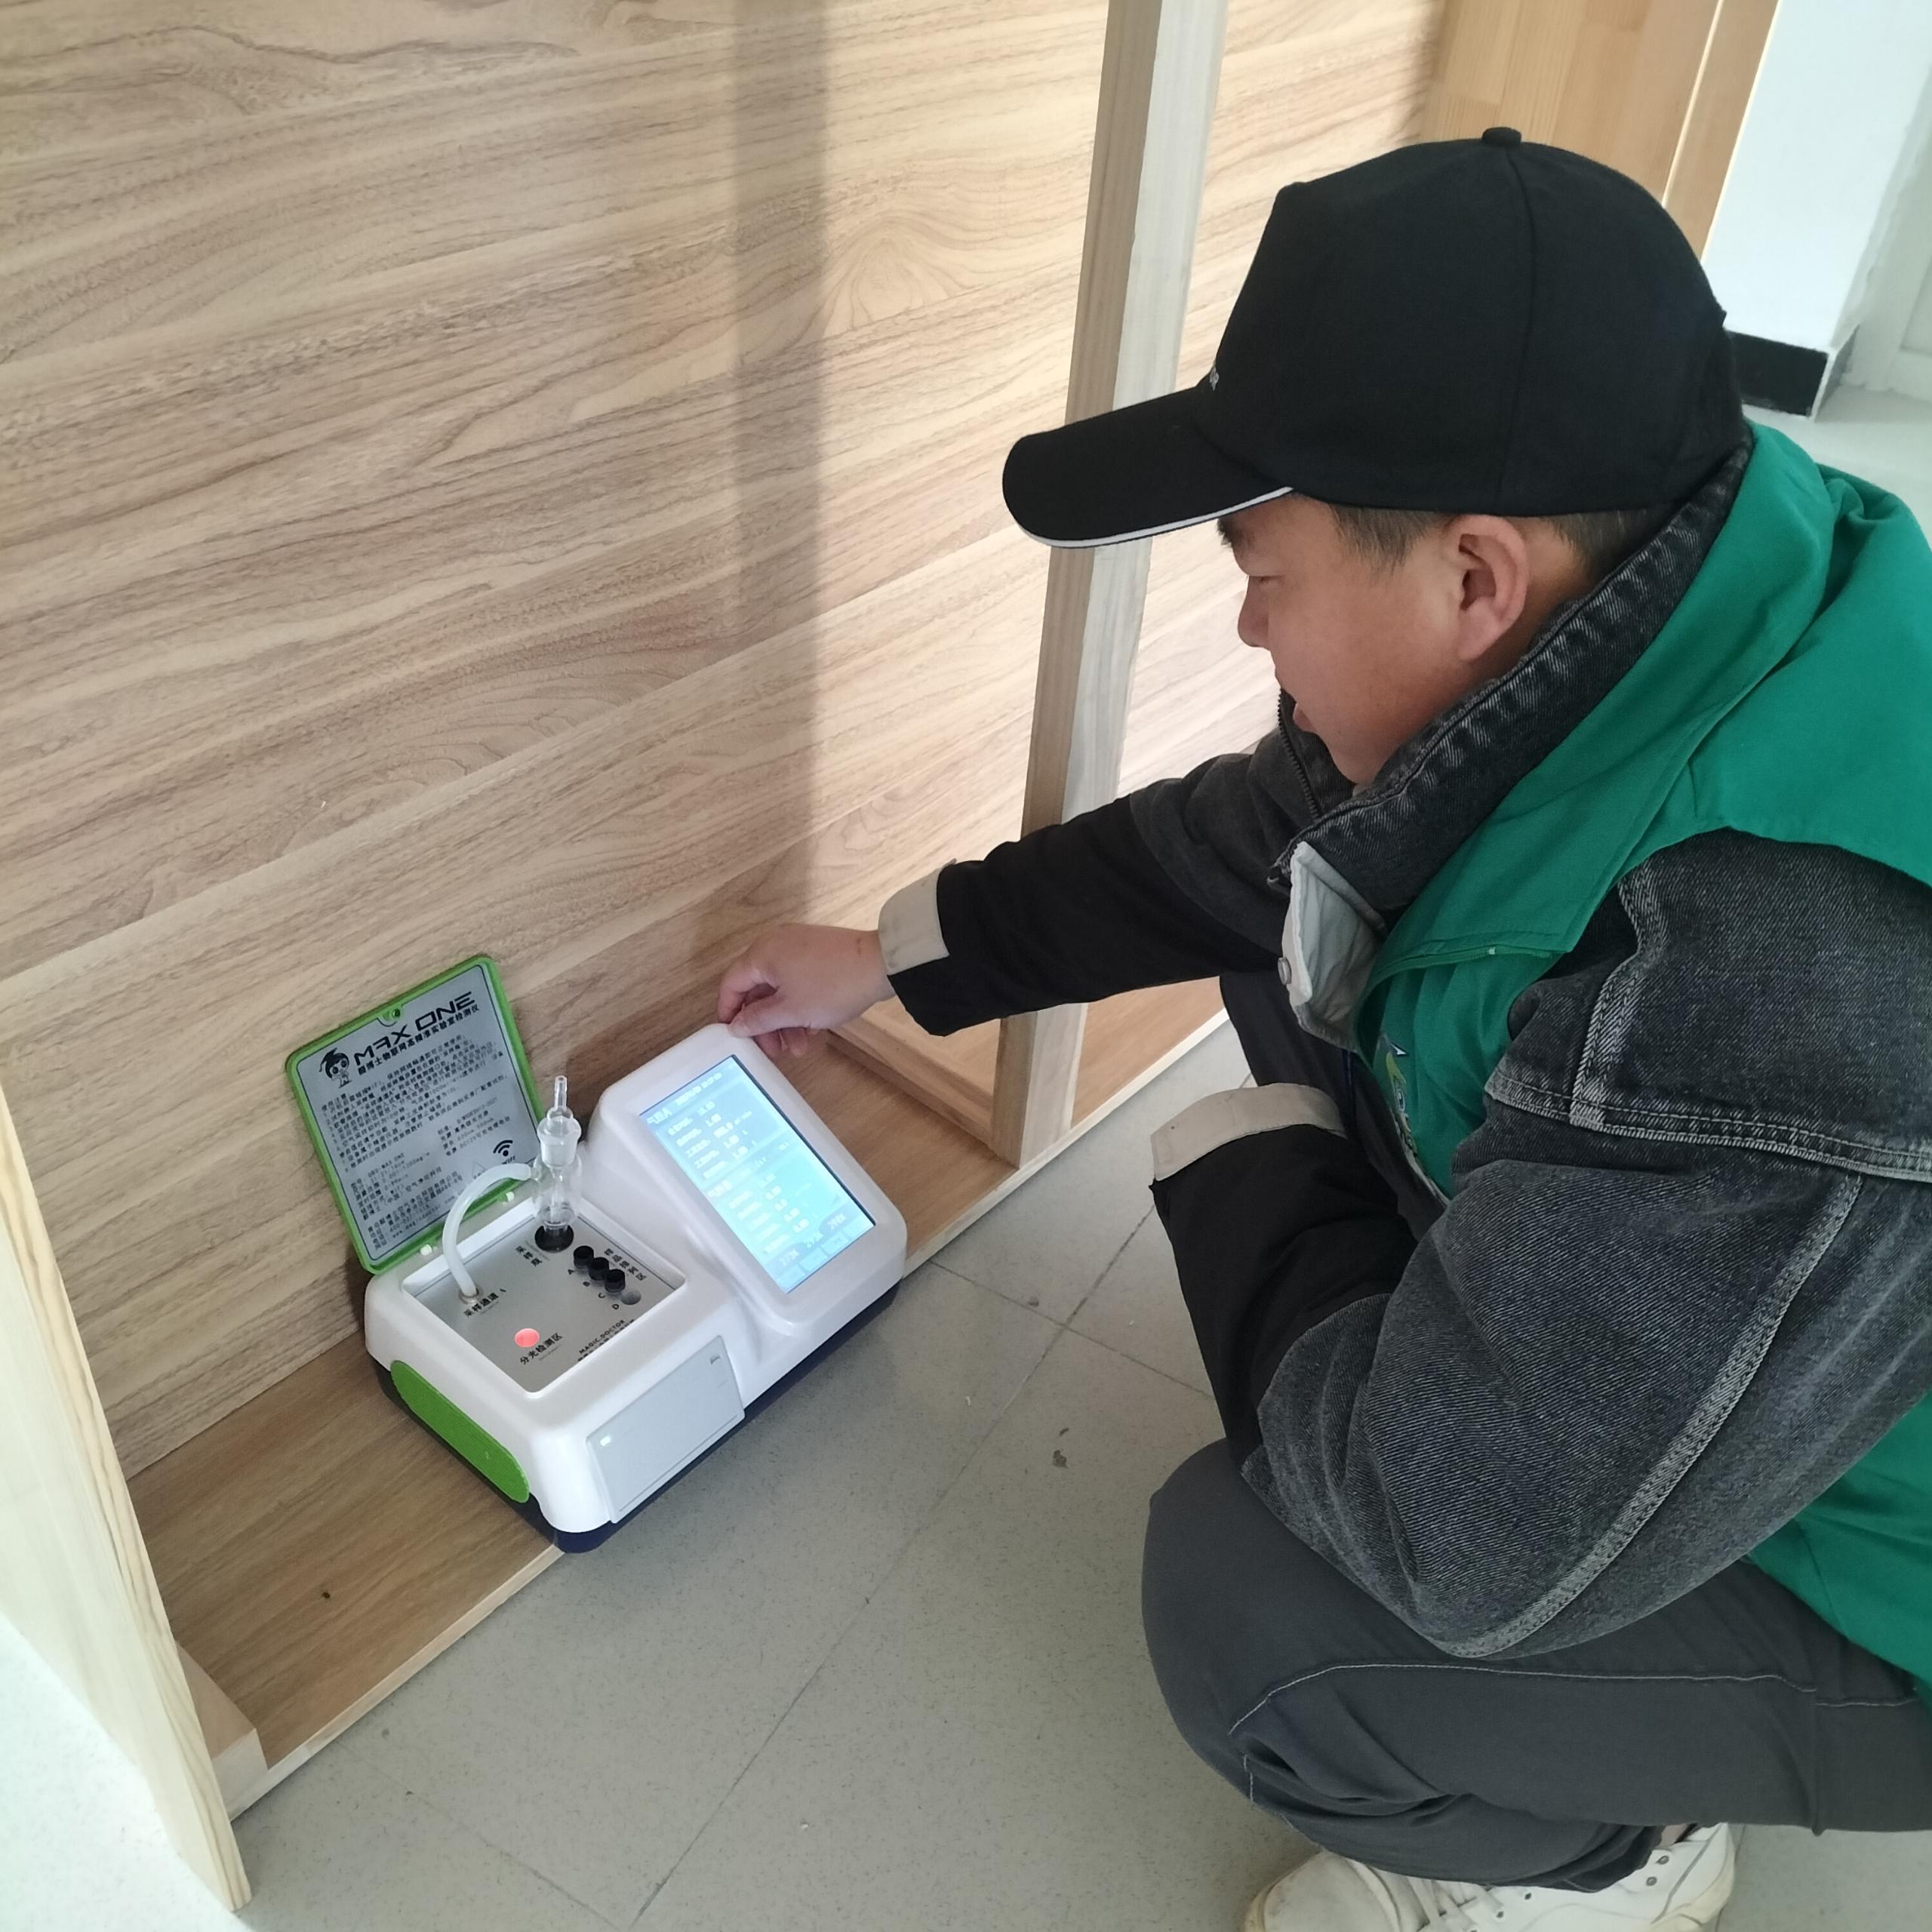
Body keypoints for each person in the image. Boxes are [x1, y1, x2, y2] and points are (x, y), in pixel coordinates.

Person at [717, 130, 1932, 1930]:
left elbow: (1450, 1529)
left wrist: (1252, 1187)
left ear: (1470, 578)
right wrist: (894, 956)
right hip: (1751, 1326)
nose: (1244, 621)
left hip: (1881, 1574)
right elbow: (1233, 848)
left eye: (1264, 570)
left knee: (1253, 1613)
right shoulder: (1674, 577)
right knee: (1302, 918)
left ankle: (1620, 1855)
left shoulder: (1758, 985)